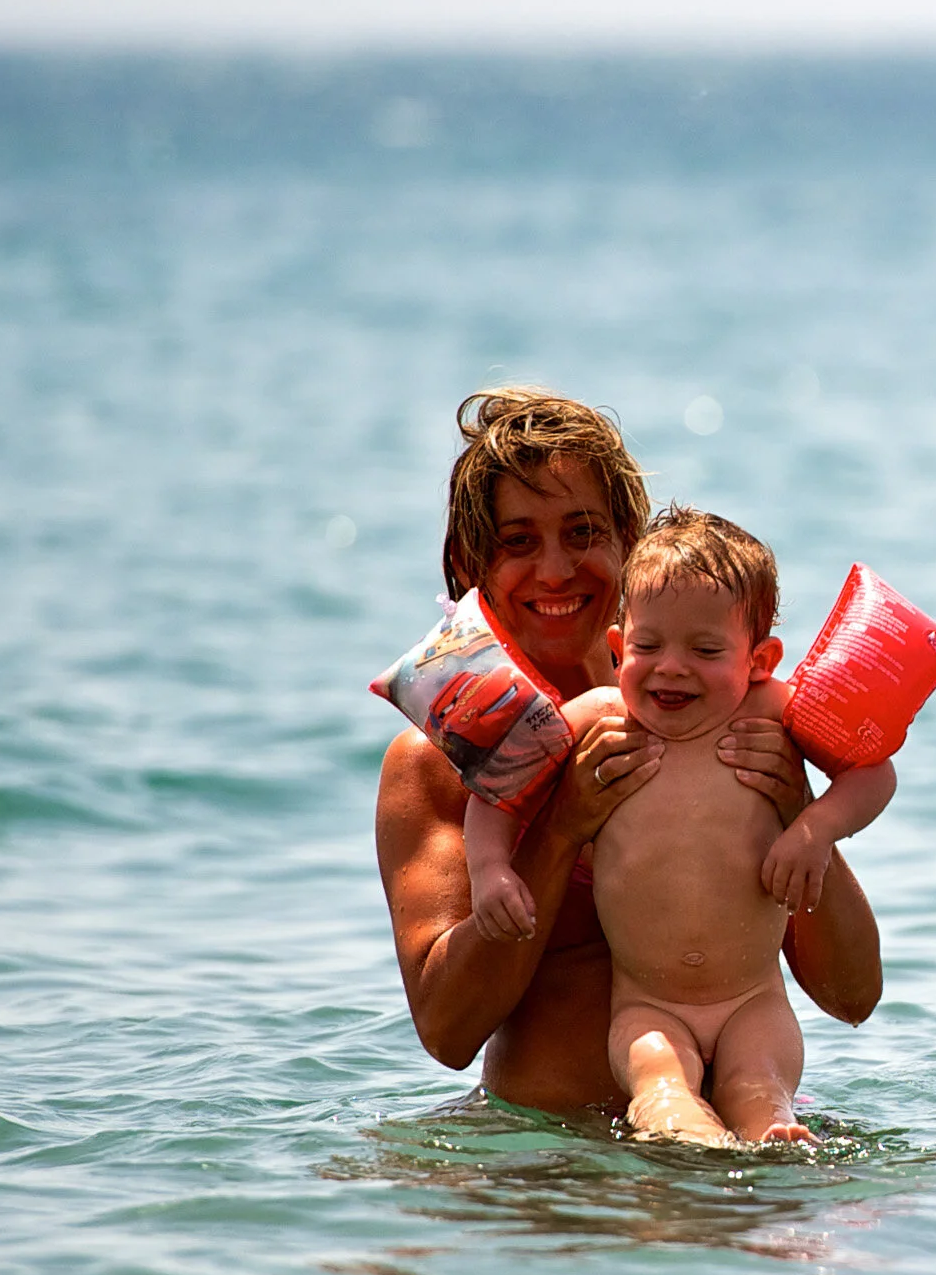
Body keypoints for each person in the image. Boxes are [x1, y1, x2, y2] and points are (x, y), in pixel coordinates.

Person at [375, 390, 884, 1118]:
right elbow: (448, 1030)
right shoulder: (436, 766)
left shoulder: (722, 710)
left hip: (732, 1149)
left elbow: (853, 996)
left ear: (628, 542)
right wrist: (560, 827)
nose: (555, 569)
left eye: (582, 532)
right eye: (518, 541)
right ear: (470, 561)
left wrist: (797, 809)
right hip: (553, 1161)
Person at [464, 507, 897, 1145]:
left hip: (753, 999)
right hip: (648, 1003)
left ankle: (771, 1130)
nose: (671, 667)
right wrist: (489, 869)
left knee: (759, 1087)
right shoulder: (595, 719)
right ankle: (681, 1126)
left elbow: (873, 773)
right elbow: (496, 788)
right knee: (659, 1081)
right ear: (618, 648)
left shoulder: (774, 713)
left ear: (759, 659)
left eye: (705, 650)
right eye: (648, 647)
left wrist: (815, 828)